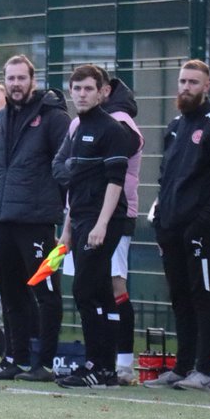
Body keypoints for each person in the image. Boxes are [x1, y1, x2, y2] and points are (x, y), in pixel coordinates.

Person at [144, 59, 210, 391]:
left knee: (204, 296)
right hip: (170, 228)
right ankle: (182, 368)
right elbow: (166, 177)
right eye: (183, 81)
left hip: (200, 231)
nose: (186, 87)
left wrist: (200, 222)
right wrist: (160, 221)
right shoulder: (174, 126)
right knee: (180, 297)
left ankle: (205, 370)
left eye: (193, 82)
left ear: (207, 86)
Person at [0, 55, 71, 382]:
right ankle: (13, 359)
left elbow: (65, 168)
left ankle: (43, 363)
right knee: (10, 293)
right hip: (0, 219)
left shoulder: (52, 117)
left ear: (32, 79)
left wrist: (65, 216)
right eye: (10, 78)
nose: (16, 83)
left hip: (36, 221)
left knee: (45, 292)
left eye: (21, 78)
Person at [51, 64, 138, 389]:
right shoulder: (76, 129)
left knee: (87, 290)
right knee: (95, 291)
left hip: (106, 220)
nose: (82, 94)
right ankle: (100, 366)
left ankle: (100, 366)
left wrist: (101, 224)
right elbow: (70, 180)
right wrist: (68, 229)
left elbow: (116, 181)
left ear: (102, 92)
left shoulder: (112, 129)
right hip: (82, 218)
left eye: (89, 88)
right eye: (77, 89)